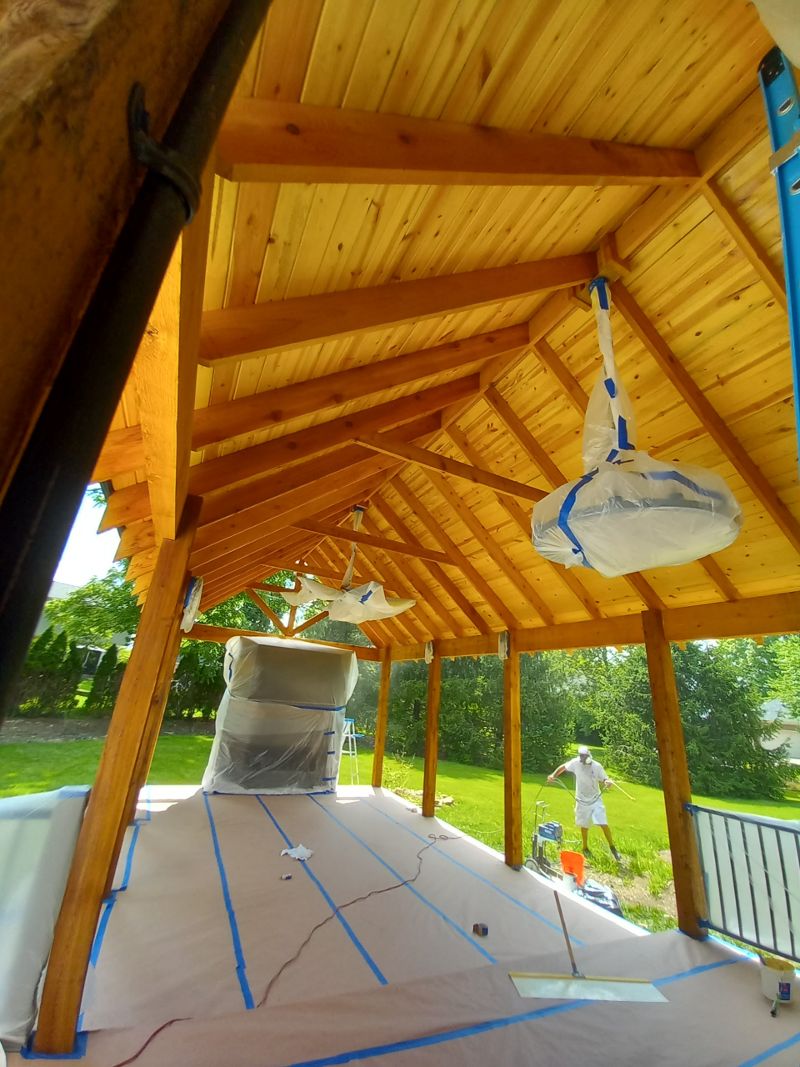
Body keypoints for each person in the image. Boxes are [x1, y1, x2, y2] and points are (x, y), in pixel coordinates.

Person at [548, 746, 621, 861]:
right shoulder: (575, 763)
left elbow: (604, 779)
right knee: (584, 824)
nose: (583, 758)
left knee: (602, 822)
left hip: (595, 799)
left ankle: (613, 848)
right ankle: (585, 848)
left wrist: (607, 782)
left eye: (585, 756)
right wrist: (553, 775)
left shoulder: (596, 766)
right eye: (581, 756)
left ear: (589, 755)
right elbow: (563, 767)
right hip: (581, 799)